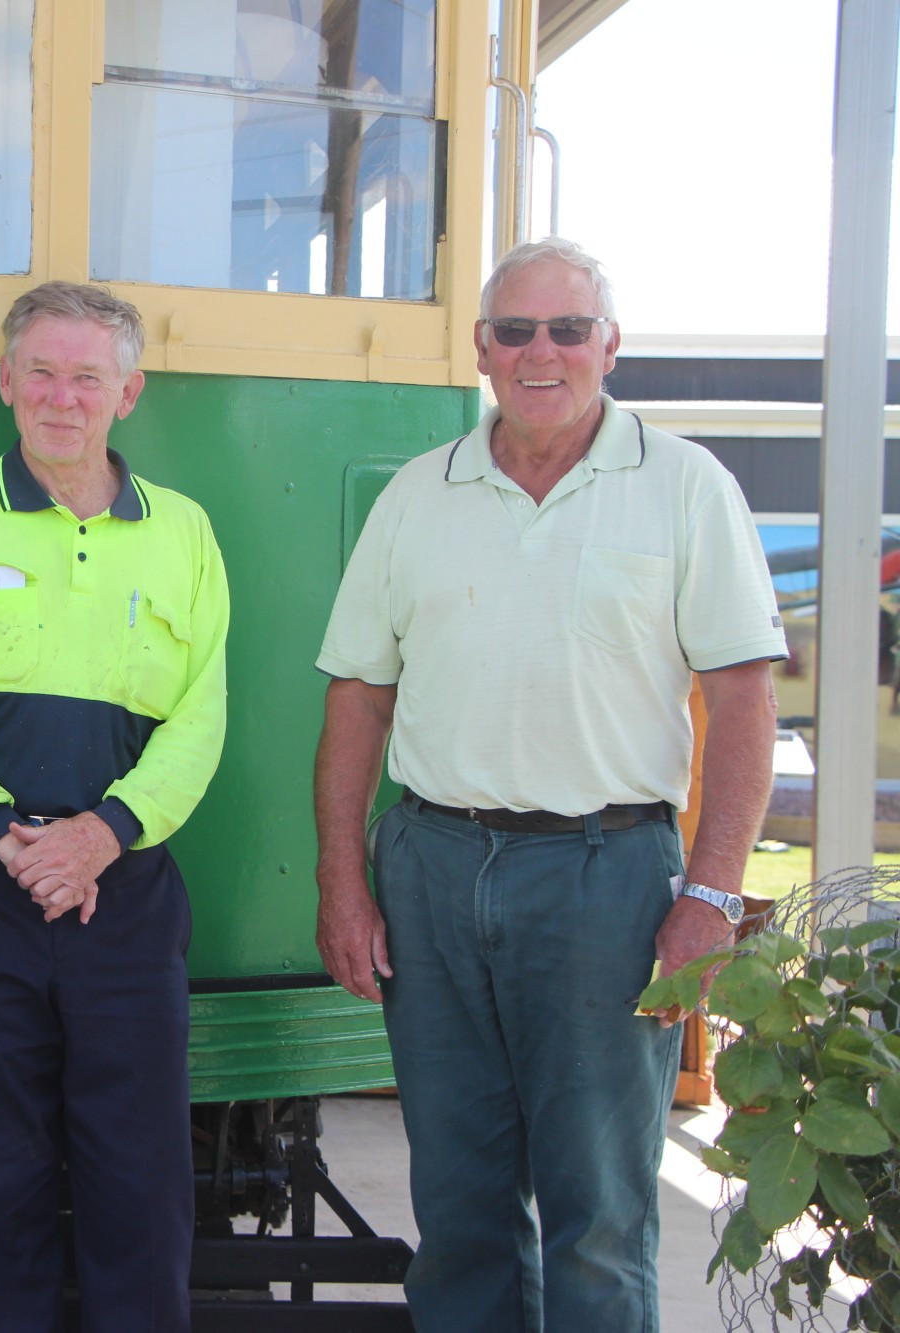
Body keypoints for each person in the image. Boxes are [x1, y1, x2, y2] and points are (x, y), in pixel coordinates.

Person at [313, 237, 784, 1330]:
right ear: (479, 348)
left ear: (608, 345)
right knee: (460, 1208)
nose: (540, 351)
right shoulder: (414, 495)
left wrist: (709, 892)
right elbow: (355, 699)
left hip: (606, 875)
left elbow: (744, 701)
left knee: (600, 1213)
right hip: (429, 868)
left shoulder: (683, 487)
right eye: (513, 329)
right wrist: (343, 877)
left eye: (565, 329)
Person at [0, 281, 229, 1331]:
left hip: (123, 894)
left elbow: (200, 716)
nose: (60, 398)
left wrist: (100, 835)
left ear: (129, 390)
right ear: (4, 383)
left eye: (86, 376)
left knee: (141, 1186)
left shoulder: (186, 533)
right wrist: (2, 833)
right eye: (40, 372)